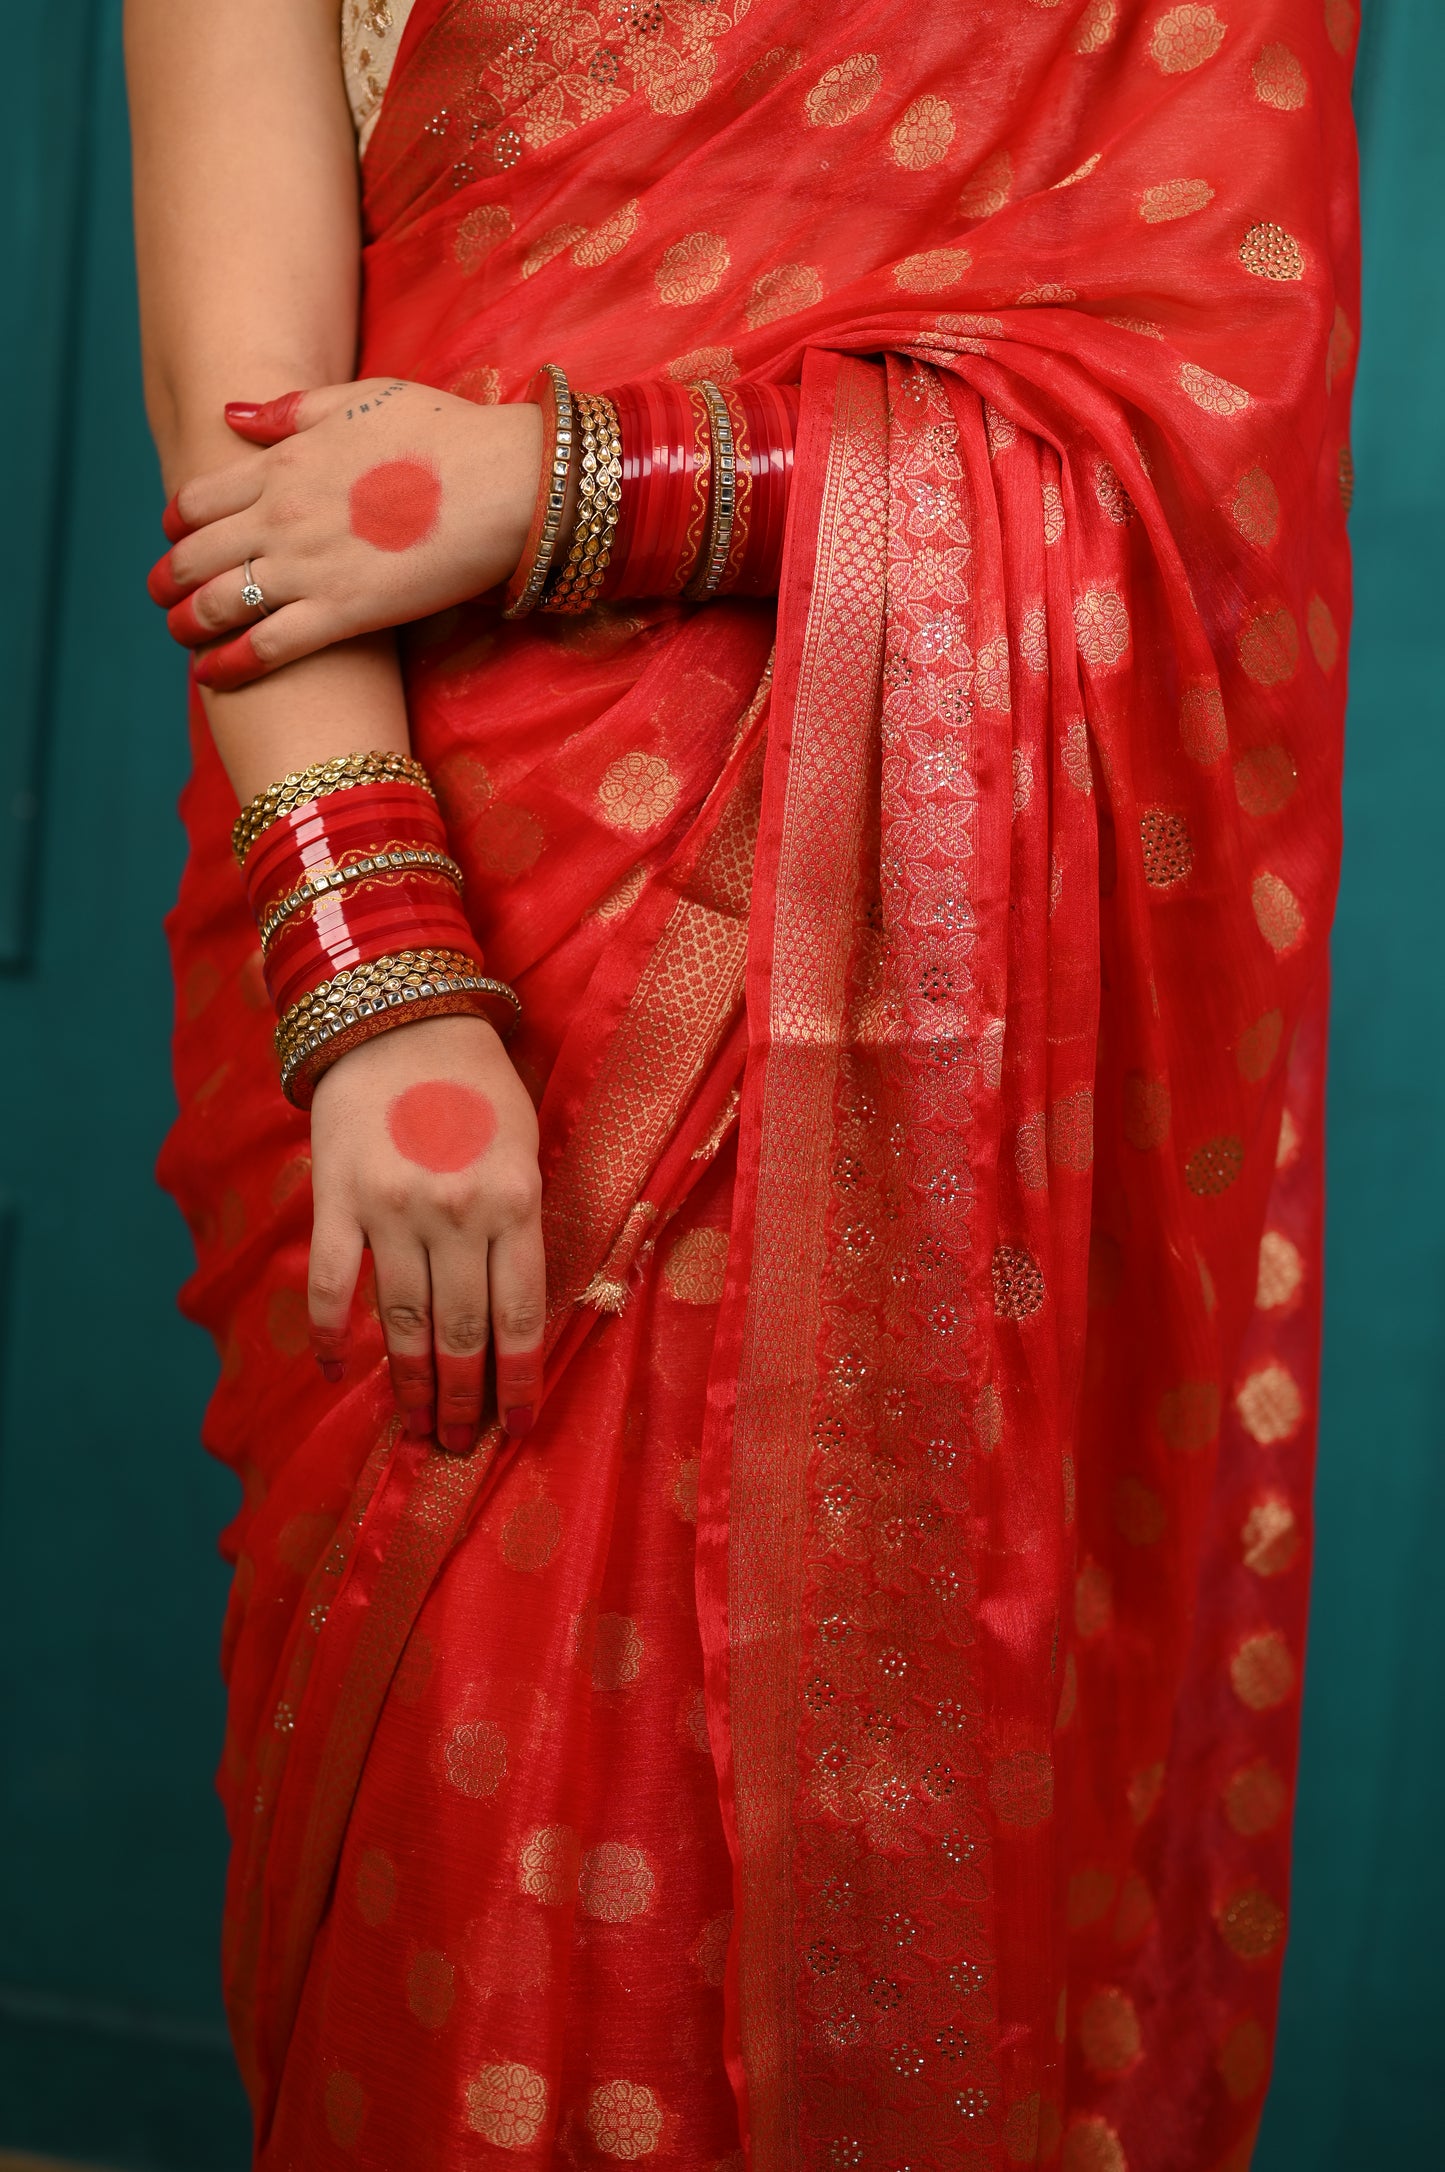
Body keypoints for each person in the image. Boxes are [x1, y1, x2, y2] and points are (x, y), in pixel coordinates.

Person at [125, 3, 1358, 2166]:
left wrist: (551, 482)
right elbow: (249, 462)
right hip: (471, 913)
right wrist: (383, 981)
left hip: (950, 979)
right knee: (452, 1835)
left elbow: (1190, 423)